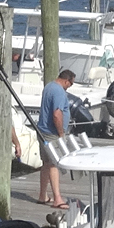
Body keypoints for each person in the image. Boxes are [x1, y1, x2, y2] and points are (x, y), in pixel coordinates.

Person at [38, 69, 76, 208]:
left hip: (42, 131)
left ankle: (43, 195)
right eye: (70, 84)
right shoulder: (59, 91)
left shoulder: (49, 86)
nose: (69, 87)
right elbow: (56, 114)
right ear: (66, 81)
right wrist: (61, 133)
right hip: (52, 132)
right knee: (55, 164)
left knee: (46, 163)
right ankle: (57, 198)